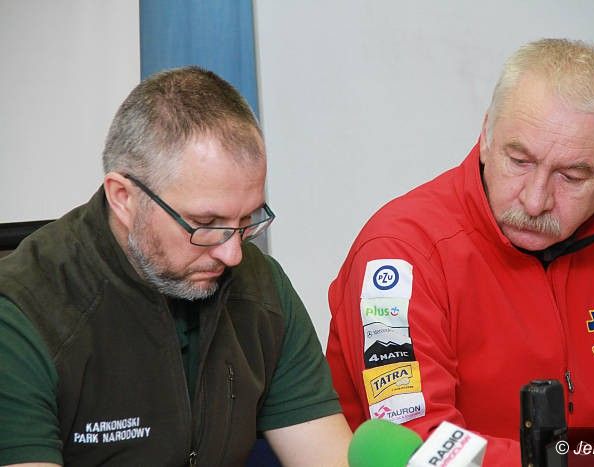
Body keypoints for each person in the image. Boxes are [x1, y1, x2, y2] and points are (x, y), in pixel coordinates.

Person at [326, 38, 594, 465]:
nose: (535, 200)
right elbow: (422, 448)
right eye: (520, 161)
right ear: (486, 136)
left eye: (571, 177)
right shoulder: (399, 254)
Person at [0, 67, 351, 466]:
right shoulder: (23, 316)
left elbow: (327, 456)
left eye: (246, 220)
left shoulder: (261, 288)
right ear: (123, 197)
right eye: (206, 224)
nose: (233, 254)